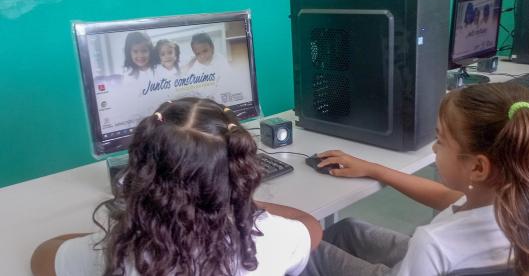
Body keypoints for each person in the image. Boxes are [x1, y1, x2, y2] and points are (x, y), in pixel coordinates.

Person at [31, 97, 322, 276]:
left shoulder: (118, 254)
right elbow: (311, 227)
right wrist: (238, 205)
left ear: (145, 173)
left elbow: (43, 255)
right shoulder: (266, 240)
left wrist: (123, 231)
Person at [301, 82, 529, 276]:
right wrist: (375, 170)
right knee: (347, 229)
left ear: (478, 167)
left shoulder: (433, 243)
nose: (433, 149)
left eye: (440, 140)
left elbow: (431, 247)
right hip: (453, 263)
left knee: (304, 247)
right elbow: (447, 198)